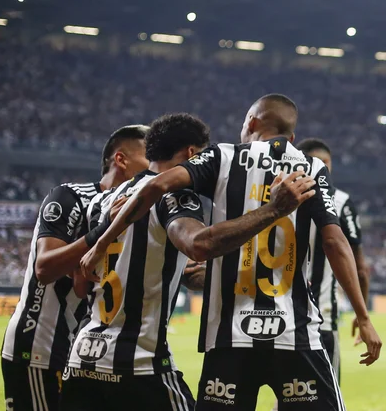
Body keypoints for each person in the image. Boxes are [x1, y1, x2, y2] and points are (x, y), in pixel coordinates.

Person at [84, 94, 382, 410]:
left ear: (251, 122)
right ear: (291, 137)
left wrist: (101, 242)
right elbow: (335, 243)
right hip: (295, 333)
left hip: (228, 335)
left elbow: (155, 185)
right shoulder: (311, 168)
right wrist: (363, 317)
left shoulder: (222, 157)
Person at [63, 113, 315, 410]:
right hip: (138, 364)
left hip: (82, 360)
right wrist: (273, 211)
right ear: (192, 154)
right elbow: (198, 244)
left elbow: (81, 282)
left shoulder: (102, 202)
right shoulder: (174, 196)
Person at [0, 124, 148, 411]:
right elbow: (45, 268)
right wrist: (105, 230)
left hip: (82, 352)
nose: (155, 167)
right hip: (39, 346)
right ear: (121, 159)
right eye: (148, 157)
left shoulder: (130, 213)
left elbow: (83, 285)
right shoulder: (69, 197)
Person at [296, 138, 370, 382]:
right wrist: (363, 314)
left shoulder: (274, 197)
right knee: (326, 397)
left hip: (281, 319)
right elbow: (360, 268)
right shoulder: (339, 202)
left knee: (289, 395)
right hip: (321, 320)